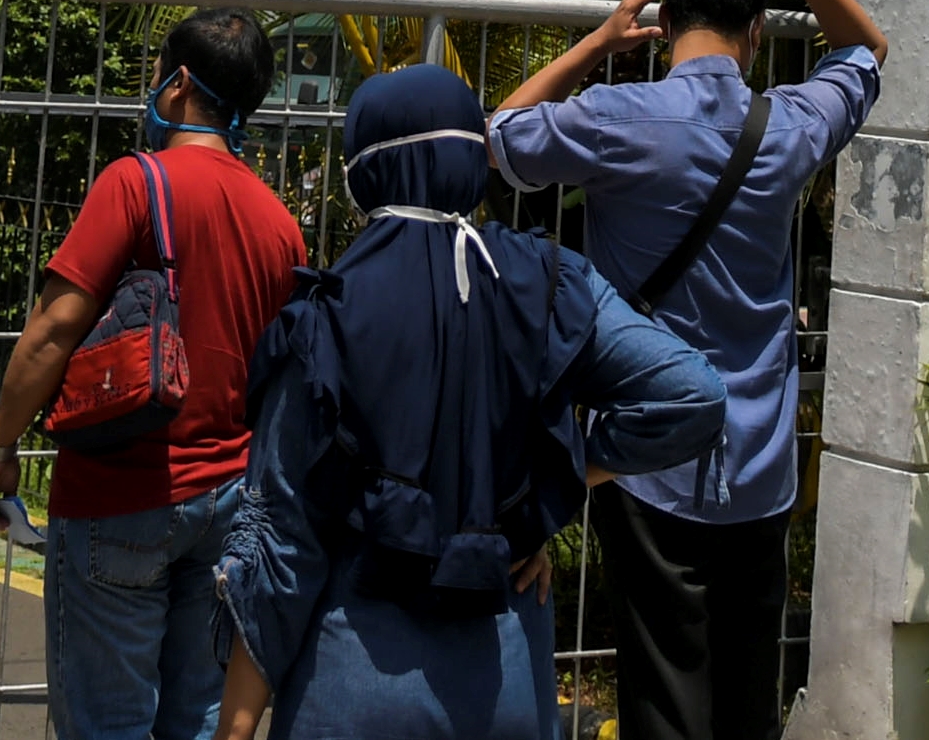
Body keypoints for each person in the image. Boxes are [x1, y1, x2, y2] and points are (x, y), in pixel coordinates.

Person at [212, 64, 726, 740]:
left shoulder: (323, 313)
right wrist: (548, 490)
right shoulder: (555, 282)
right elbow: (691, 397)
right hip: (506, 679)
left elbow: (280, 537)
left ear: (366, 171)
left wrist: (236, 725)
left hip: (354, 683)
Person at [487, 0, 888, 740]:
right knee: (749, 689)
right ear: (756, 32)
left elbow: (501, 139)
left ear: (661, 24)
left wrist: (597, 43)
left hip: (647, 450)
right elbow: (867, 51)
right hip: (761, 457)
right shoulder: (791, 124)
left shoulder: (613, 118)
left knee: (663, 687)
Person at [0, 9, 304, 740]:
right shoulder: (279, 221)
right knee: (196, 722)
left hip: (118, 493)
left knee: (106, 723)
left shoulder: (133, 183)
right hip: (228, 498)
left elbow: (54, 328)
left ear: (177, 84)